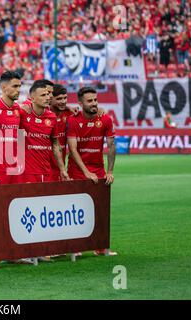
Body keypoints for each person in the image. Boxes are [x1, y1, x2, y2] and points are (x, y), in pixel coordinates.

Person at [67, 86, 117, 257]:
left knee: (100, 210)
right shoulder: (72, 120)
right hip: (77, 170)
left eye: (95, 100)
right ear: (80, 103)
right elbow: (72, 149)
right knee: (76, 209)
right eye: (89, 101)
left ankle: (100, 247)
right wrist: (86, 172)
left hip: (98, 169)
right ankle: (76, 246)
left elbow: (111, 146)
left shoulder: (106, 119)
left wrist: (109, 171)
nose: (94, 103)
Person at [18, 79, 69, 183]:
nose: (48, 97)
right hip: (27, 173)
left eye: (48, 94)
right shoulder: (22, 113)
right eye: (43, 95)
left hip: (47, 171)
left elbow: (55, 143)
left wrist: (62, 169)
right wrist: (18, 107)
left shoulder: (52, 117)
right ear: (32, 98)